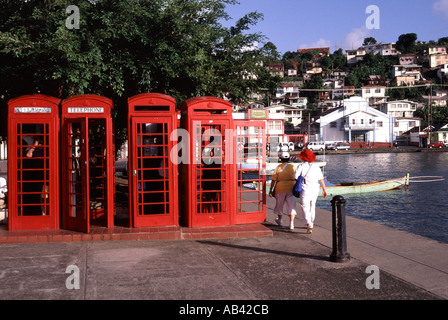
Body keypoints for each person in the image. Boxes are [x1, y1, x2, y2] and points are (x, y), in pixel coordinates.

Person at [296, 148, 328, 234]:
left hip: (305, 188)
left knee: (304, 206)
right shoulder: (316, 167)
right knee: (312, 206)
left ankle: (308, 223)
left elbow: (295, 177)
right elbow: (321, 179)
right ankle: (311, 222)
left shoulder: (301, 166)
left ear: (303, 157)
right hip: (315, 189)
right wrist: (324, 190)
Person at [269, 151, 297, 230]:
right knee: (291, 206)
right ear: (289, 158)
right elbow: (296, 176)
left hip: (280, 188)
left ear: (280, 159)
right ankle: (291, 223)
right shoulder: (292, 166)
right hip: (291, 187)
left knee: (279, 204)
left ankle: (280, 220)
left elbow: (273, 180)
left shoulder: (278, 167)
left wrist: (271, 190)